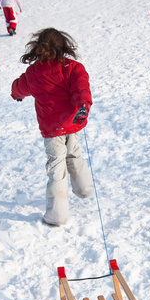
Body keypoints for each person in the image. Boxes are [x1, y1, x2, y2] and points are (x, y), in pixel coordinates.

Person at [11, 28, 94, 226]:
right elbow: (81, 87)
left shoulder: (33, 73)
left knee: (57, 164)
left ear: (38, 48)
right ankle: (84, 189)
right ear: (63, 46)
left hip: (52, 129)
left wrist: (16, 94)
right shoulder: (73, 67)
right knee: (74, 154)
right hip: (72, 123)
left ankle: (57, 214)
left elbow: (18, 87)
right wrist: (83, 106)